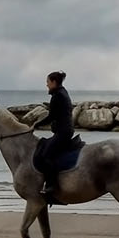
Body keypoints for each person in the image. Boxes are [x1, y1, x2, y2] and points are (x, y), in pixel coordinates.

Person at [32, 70, 77, 203]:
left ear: (54, 82)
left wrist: (36, 124)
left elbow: (51, 116)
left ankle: (52, 187)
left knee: (46, 155)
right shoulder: (62, 92)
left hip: (63, 133)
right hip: (64, 131)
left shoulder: (57, 96)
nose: (46, 85)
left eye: (48, 82)